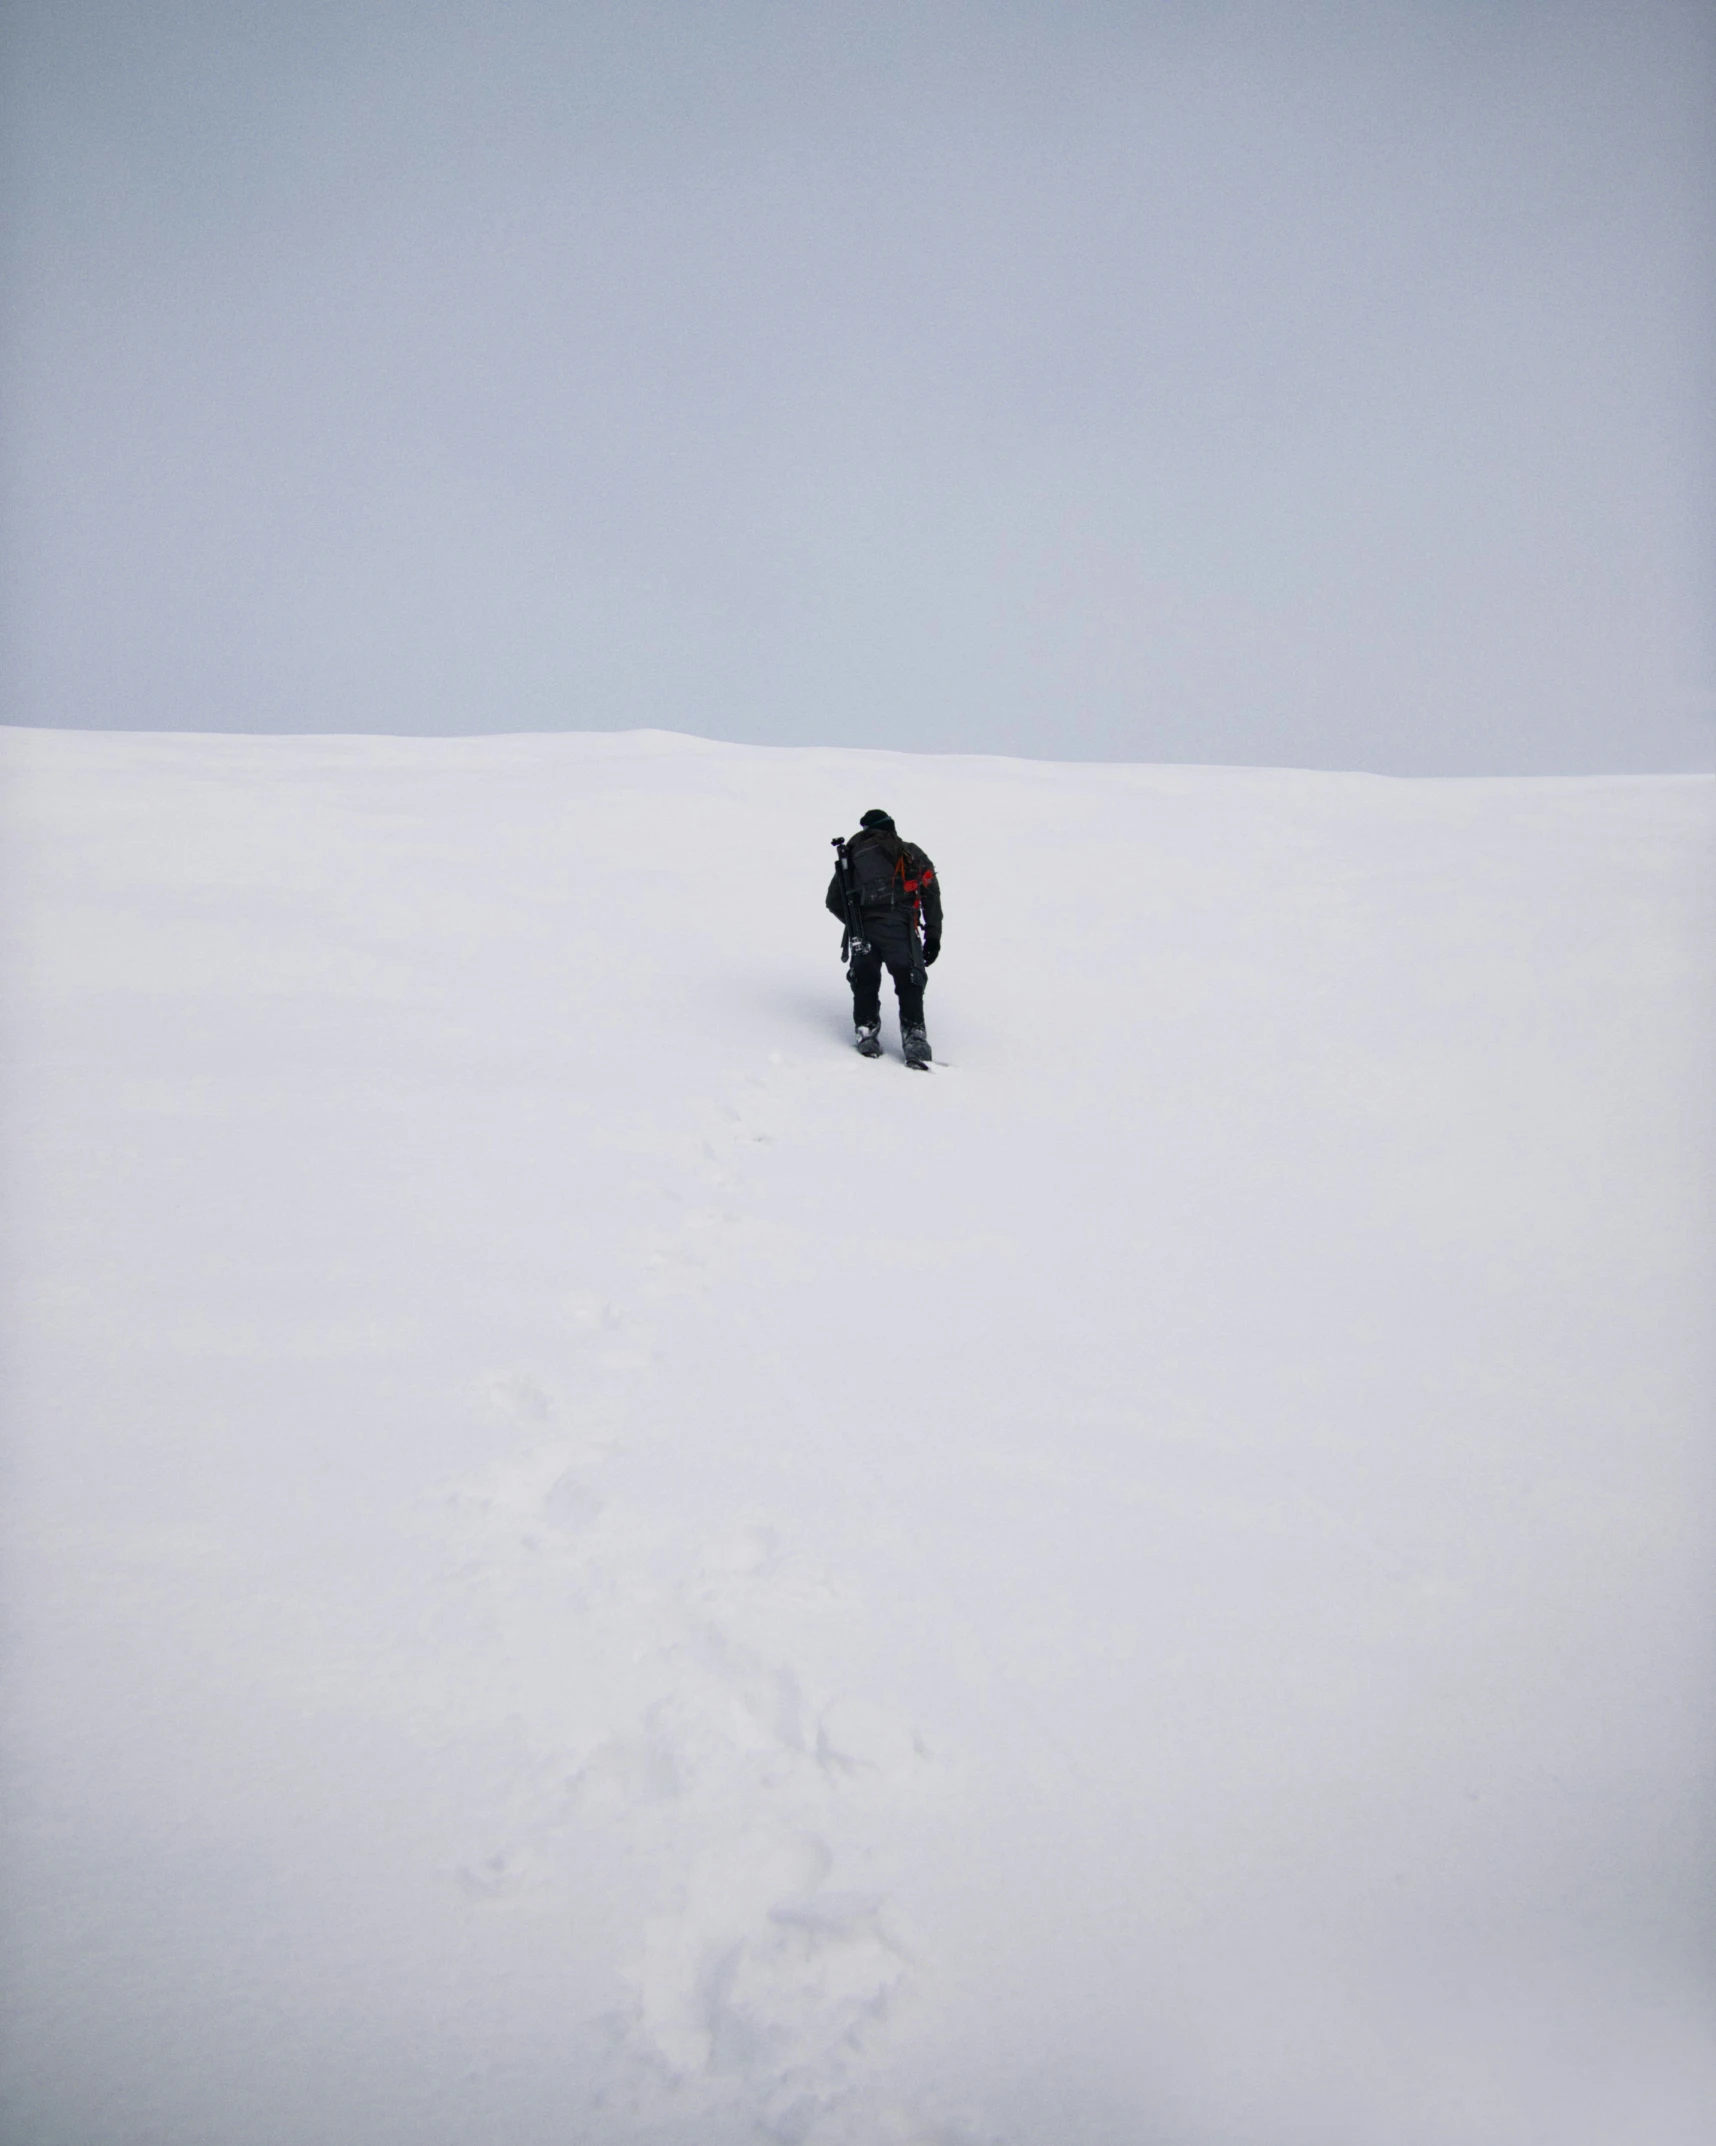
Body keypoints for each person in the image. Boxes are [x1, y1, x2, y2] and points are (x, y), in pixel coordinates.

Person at [825, 808, 943, 1067]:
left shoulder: (851, 856)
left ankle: (866, 1033)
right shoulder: (908, 851)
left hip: (862, 930)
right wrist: (933, 935)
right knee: (909, 981)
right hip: (900, 929)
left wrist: (857, 921)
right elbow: (930, 891)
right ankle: (915, 1041)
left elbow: (833, 901)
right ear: (891, 827)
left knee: (865, 980)